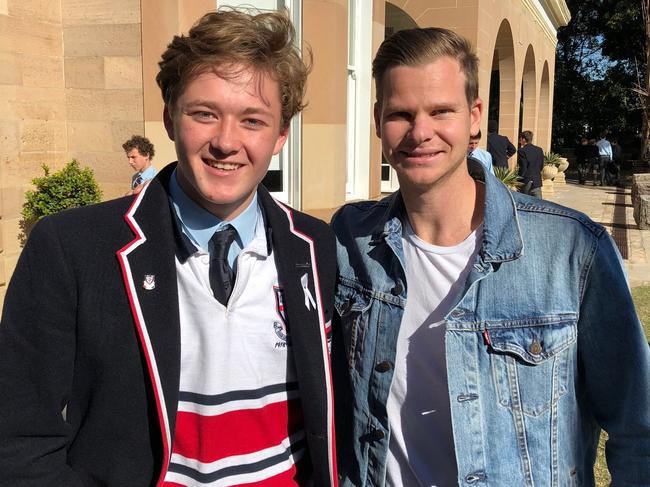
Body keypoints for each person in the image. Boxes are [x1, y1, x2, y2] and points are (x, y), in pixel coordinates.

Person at [0, 9, 339, 486]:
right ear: (169, 118)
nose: (226, 142)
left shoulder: (316, 244)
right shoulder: (71, 247)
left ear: (281, 135)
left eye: (253, 120)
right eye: (204, 114)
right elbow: (18, 437)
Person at [332, 26, 650, 487]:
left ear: (474, 116)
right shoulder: (350, 241)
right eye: (401, 113)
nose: (420, 132)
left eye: (441, 111)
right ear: (379, 119)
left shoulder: (571, 249)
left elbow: (637, 424)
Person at [517, 130, 544, 197]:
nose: (520, 141)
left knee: (525, 202)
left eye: (520, 139)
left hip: (526, 181)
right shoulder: (539, 150)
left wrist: (518, 180)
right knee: (538, 204)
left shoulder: (522, 151)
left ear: (523, 139)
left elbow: (523, 167)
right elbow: (541, 166)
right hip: (537, 180)